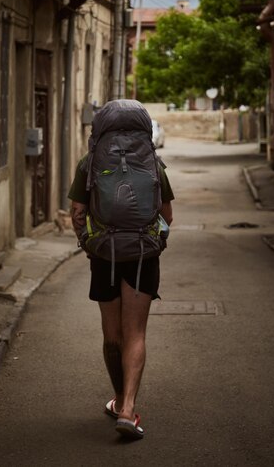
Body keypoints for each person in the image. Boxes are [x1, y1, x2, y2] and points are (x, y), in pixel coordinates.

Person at [68, 100, 174, 440]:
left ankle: (116, 398)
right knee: (136, 334)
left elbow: (76, 211)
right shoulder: (153, 162)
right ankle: (128, 408)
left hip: (105, 255)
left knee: (112, 335)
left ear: (99, 129)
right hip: (144, 254)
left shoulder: (89, 162)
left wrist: (88, 243)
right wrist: (156, 241)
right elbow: (167, 214)